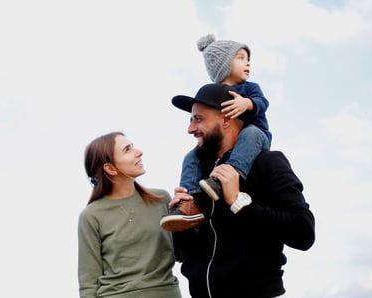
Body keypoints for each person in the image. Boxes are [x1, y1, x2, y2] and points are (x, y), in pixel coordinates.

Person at [170, 83, 316, 297]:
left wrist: (239, 202)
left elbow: (304, 233)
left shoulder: (268, 162)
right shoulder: (197, 172)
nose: (190, 129)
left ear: (227, 119)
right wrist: (182, 228)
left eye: (198, 119)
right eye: (191, 120)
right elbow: (184, 253)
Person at [161, 34, 271, 231]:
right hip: (228, 149)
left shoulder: (249, 88)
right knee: (191, 155)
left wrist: (247, 103)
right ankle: (190, 201)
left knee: (250, 133)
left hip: (256, 137)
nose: (247, 63)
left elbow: (263, 103)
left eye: (248, 59)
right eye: (240, 58)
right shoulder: (212, 94)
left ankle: (226, 177)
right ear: (224, 64)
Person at [77, 131, 182, 298]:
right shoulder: (91, 216)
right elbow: (88, 283)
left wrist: (187, 218)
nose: (139, 152)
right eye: (127, 149)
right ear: (110, 168)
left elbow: (182, 254)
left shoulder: (161, 199)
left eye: (133, 146)